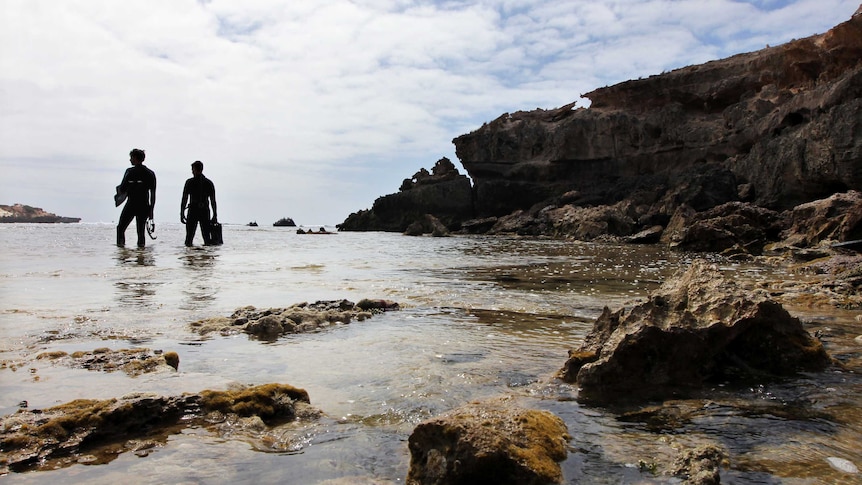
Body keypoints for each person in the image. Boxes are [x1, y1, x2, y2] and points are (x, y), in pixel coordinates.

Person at [116, 148, 156, 247]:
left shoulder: (129, 172)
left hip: (131, 204)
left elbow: (122, 188)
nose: (130, 160)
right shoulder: (150, 173)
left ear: (135, 158)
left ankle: (122, 254)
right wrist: (151, 211)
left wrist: (119, 190)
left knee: (120, 228)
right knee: (141, 232)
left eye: (131, 158)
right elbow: (153, 194)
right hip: (144, 205)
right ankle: (141, 258)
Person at [180, 160, 218, 246]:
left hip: (196, 210)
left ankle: (190, 257)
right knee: (203, 238)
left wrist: (182, 213)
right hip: (201, 210)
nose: (192, 171)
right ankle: (205, 257)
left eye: (192, 169)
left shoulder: (190, 182)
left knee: (191, 238)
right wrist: (215, 214)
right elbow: (213, 201)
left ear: (195, 169)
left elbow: (184, 199)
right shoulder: (208, 183)